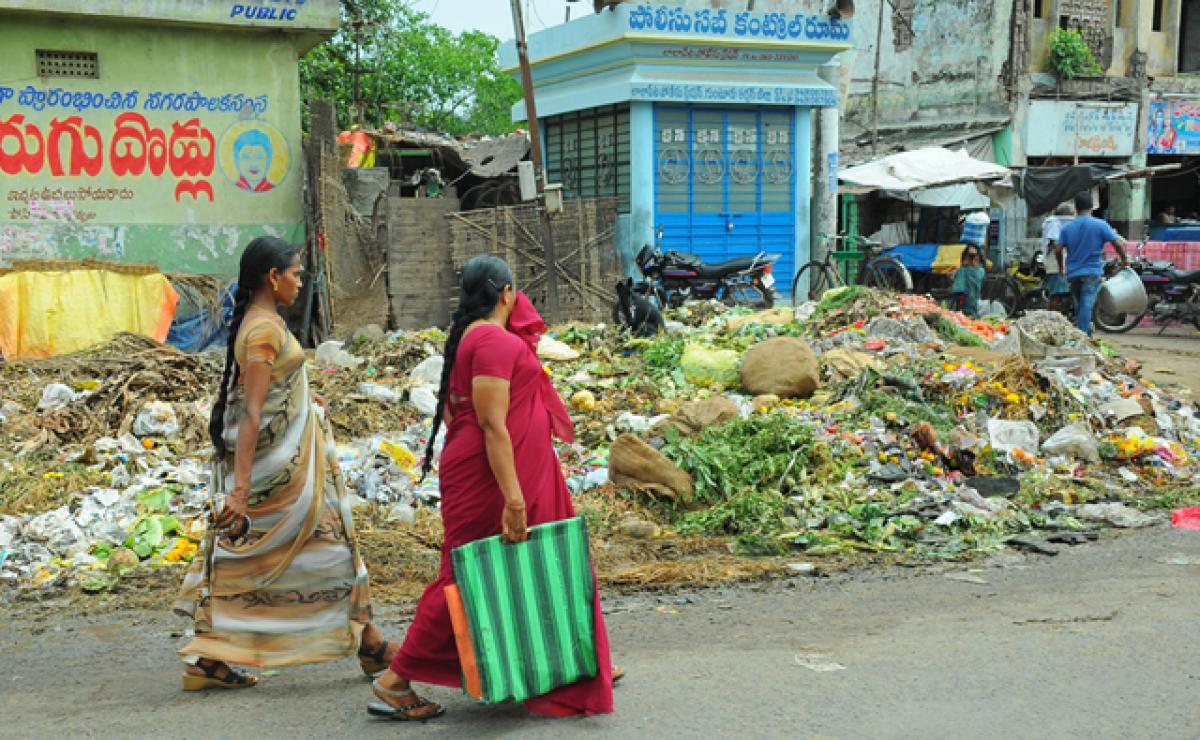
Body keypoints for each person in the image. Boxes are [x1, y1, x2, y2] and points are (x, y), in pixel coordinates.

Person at [367, 256, 615, 721]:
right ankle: (394, 679)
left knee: (545, 567)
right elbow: (489, 423)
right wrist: (514, 499)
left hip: (502, 473)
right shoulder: (492, 341)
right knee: (464, 576)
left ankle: (577, 662)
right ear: (505, 293)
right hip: (492, 481)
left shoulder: (477, 338)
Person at [174, 237, 395, 690]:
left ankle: (209, 655)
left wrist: (301, 394)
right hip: (280, 474)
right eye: (294, 273)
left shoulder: (264, 323)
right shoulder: (263, 330)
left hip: (289, 466)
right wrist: (239, 491)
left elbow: (270, 389)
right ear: (272, 278)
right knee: (326, 552)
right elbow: (253, 411)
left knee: (268, 559)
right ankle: (369, 642)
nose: (299, 281)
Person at [1057, 191, 1130, 335]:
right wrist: (1125, 260)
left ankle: (1085, 332)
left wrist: (1061, 267)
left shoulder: (1067, 228)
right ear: (1092, 206)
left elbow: (1058, 250)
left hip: (1073, 272)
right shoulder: (1100, 225)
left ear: (1076, 207)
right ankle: (1083, 336)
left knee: (1080, 304)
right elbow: (1117, 244)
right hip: (1091, 272)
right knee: (1086, 304)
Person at [1041, 203, 1075, 313]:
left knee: (1059, 293)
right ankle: (1052, 318)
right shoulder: (1053, 223)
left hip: (1059, 263)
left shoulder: (1055, 222)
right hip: (1055, 264)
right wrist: (1061, 267)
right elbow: (1057, 247)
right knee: (1056, 294)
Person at [949, 243, 986, 318]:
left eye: (975, 257)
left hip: (972, 298)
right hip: (962, 294)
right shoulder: (962, 270)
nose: (972, 259)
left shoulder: (979, 270)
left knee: (970, 309)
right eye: (970, 256)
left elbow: (978, 276)